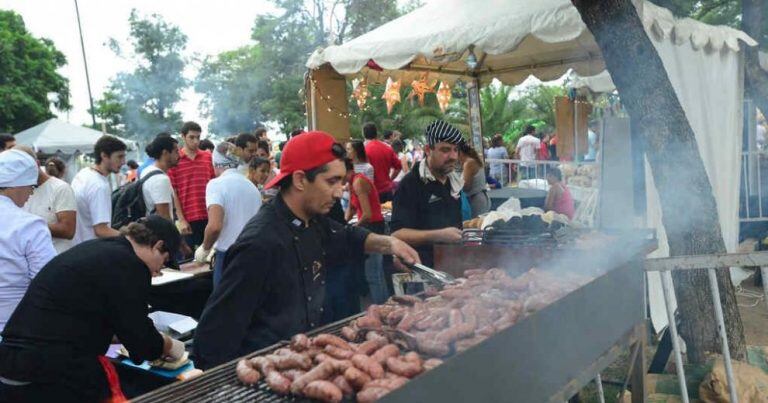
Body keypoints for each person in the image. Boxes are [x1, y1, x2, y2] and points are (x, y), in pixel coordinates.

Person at [193, 131, 419, 370]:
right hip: (268, 370)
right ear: (300, 180)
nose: (338, 191)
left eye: (341, 181)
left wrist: (390, 244)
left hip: (305, 362)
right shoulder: (260, 242)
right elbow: (213, 336)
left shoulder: (314, 220)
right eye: (331, 181)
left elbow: (347, 235)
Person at [0, 216, 186, 403]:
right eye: (164, 260)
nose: (159, 270)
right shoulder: (130, 265)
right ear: (157, 246)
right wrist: (168, 345)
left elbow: (87, 318)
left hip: (13, 362)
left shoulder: (99, 250)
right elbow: (141, 339)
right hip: (48, 372)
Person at [391, 120, 464, 268]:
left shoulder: (453, 180)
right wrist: (439, 235)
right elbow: (397, 234)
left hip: (454, 263)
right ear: (428, 150)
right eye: (445, 150)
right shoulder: (411, 183)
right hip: (423, 268)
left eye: (456, 150)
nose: (453, 156)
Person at [0, 149, 56, 332]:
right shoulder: (29, 225)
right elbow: (48, 281)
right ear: (17, 184)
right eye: (31, 187)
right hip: (13, 325)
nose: (31, 194)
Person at [195, 142, 262, 287]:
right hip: (254, 255)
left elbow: (214, 226)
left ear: (216, 163)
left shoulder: (216, 185)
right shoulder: (252, 187)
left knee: (224, 305)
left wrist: (205, 249)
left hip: (228, 256)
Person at [343, 158, 389, 304]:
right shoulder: (351, 183)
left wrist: (353, 229)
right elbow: (351, 208)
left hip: (373, 227)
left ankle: (381, 308)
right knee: (375, 272)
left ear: (347, 171)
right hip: (367, 227)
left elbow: (367, 215)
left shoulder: (358, 182)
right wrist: (342, 225)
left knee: (373, 275)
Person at [167, 122, 215, 250]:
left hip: (210, 215)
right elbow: (174, 192)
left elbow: (214, 184)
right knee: (191, 261)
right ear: (183, 136)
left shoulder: (207, 157)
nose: (196, 141)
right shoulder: (176, 160)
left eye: (198, 137)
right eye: (192, 137)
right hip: (188, 218)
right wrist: (181, 219)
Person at [21, 147, 77, 254]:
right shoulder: (18, 189)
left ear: (36, 164)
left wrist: (28, 225)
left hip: (55, 260)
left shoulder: (61, 188)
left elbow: (68, 230)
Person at [71, 136, 126, 244]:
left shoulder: (84, 173)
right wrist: (130, 238)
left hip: (77, 246)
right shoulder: (99, 186)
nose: (124, 162)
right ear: (104, 155)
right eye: (119, 157)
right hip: (91, 249)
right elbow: (101, 230)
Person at [141, 135, 180, 221]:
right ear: (165, 153)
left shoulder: (146, 171)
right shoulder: (161, 180)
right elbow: (164, 217)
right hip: (158, 232)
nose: (179, 155)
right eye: (176, 151)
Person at [363, 122, 402, 203]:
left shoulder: (362, 150)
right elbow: (398, 167)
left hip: (370, 193)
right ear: (376, 133)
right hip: (387, 190)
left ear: (364, 134)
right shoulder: (388, 148)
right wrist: (390, 179)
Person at [459, 143, 490, 218]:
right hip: (479, 198)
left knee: (475, 226)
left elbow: (467, 187)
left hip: (476, 200)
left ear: (460, 152)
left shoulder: (469, 163)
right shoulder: (473, 161)